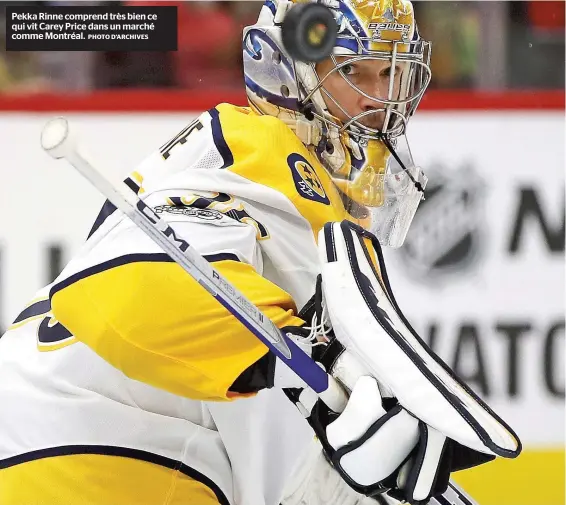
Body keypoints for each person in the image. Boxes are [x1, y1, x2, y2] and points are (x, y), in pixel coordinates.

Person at [0, 1, 519, 504]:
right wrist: (302, 358)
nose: (379, 99)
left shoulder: (290, 193)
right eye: (354, 71)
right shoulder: (255, 164)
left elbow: (289, 469)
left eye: (392, 74)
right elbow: (127, 287)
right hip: (82, 460)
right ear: (287, 72)